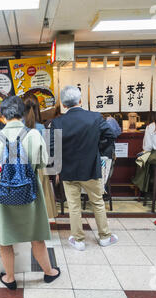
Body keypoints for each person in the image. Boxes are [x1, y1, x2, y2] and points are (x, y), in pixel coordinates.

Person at [0, 96, 60, 290]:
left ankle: (10, 278)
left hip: (3, 194)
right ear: (23, 113)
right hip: (30, 193)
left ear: (2, 116)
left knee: (5, 240)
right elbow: (43, 162)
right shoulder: (34, 135)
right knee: (36, 237)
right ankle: (49, 273)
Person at [50, 86, 118, 251]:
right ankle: (105, 237)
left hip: (68, 170)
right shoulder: (95, 117)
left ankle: (79, 240)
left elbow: (52, 148)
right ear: (80, 101)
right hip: (91, 168)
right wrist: (97, 149)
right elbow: (110, 135)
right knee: (97, 202)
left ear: (64, 105)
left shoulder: (57, 122)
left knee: (73, 206)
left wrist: (57, 169)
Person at [22, 93, 57, 218]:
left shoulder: (17, 126)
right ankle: (39, 222)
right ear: (37, 108)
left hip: (20, 167)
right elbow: (45, 152)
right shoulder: (41, 127)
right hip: (39, 167)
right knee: (40, 196)